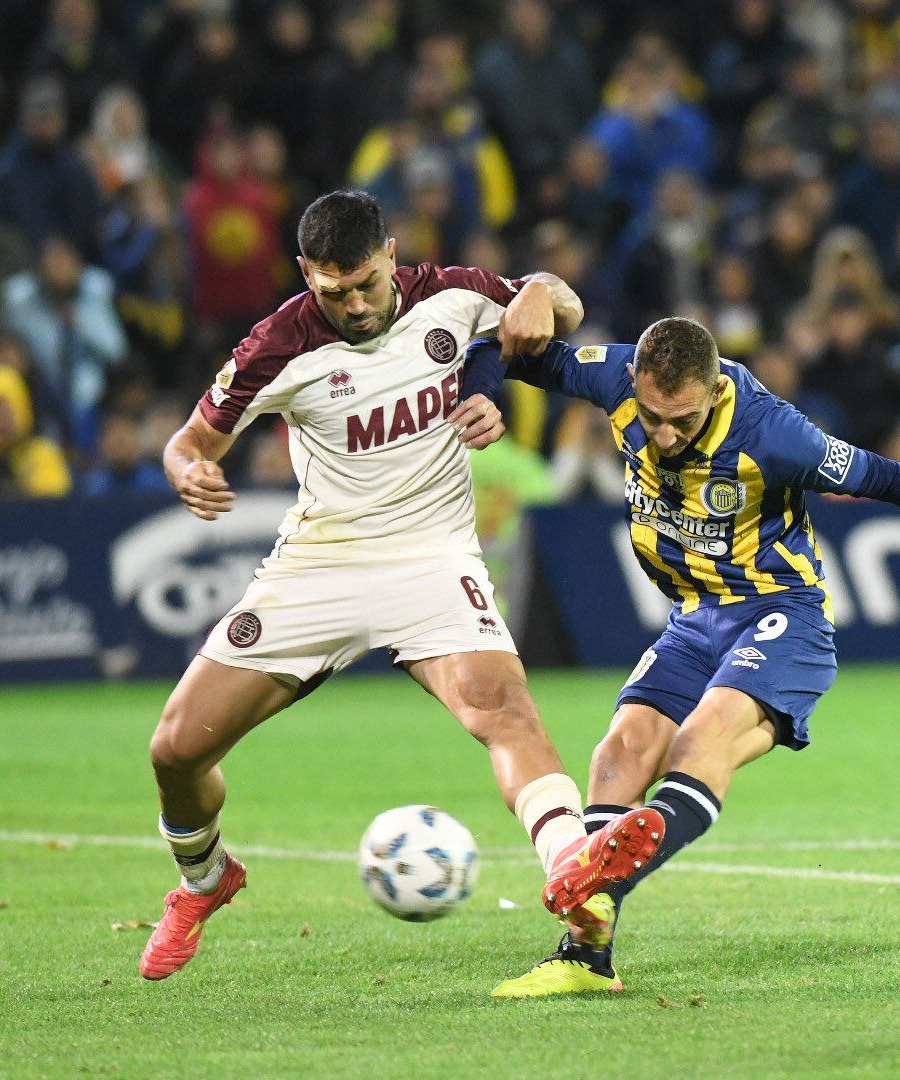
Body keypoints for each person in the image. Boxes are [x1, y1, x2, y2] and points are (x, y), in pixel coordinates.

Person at [460, 316, 900, 997]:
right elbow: (500, 348)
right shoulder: (614, 375)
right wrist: (483, 393)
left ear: (715, 390)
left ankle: (604, 877)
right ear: (635, 381)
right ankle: (586, 955)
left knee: (701, 739)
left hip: (781, 615)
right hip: (695, 617)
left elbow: (885, 477)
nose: (664, 436)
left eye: (682, 420)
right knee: (618, 755)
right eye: (654, 417)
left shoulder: (773, 435)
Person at [137, 191, 657, 982]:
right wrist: (190, 472)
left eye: (365, 284)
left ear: (389, 254)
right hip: (321, 562)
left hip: (432, 556)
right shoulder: (279, 343)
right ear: (306, 274)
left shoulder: (451, 293)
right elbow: (188, 441)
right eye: (331, 291)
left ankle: (575, 874)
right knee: (175, 749)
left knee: (503, 709)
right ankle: (205, 881)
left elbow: (559, 300)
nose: (352, 305)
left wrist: (541, 295)